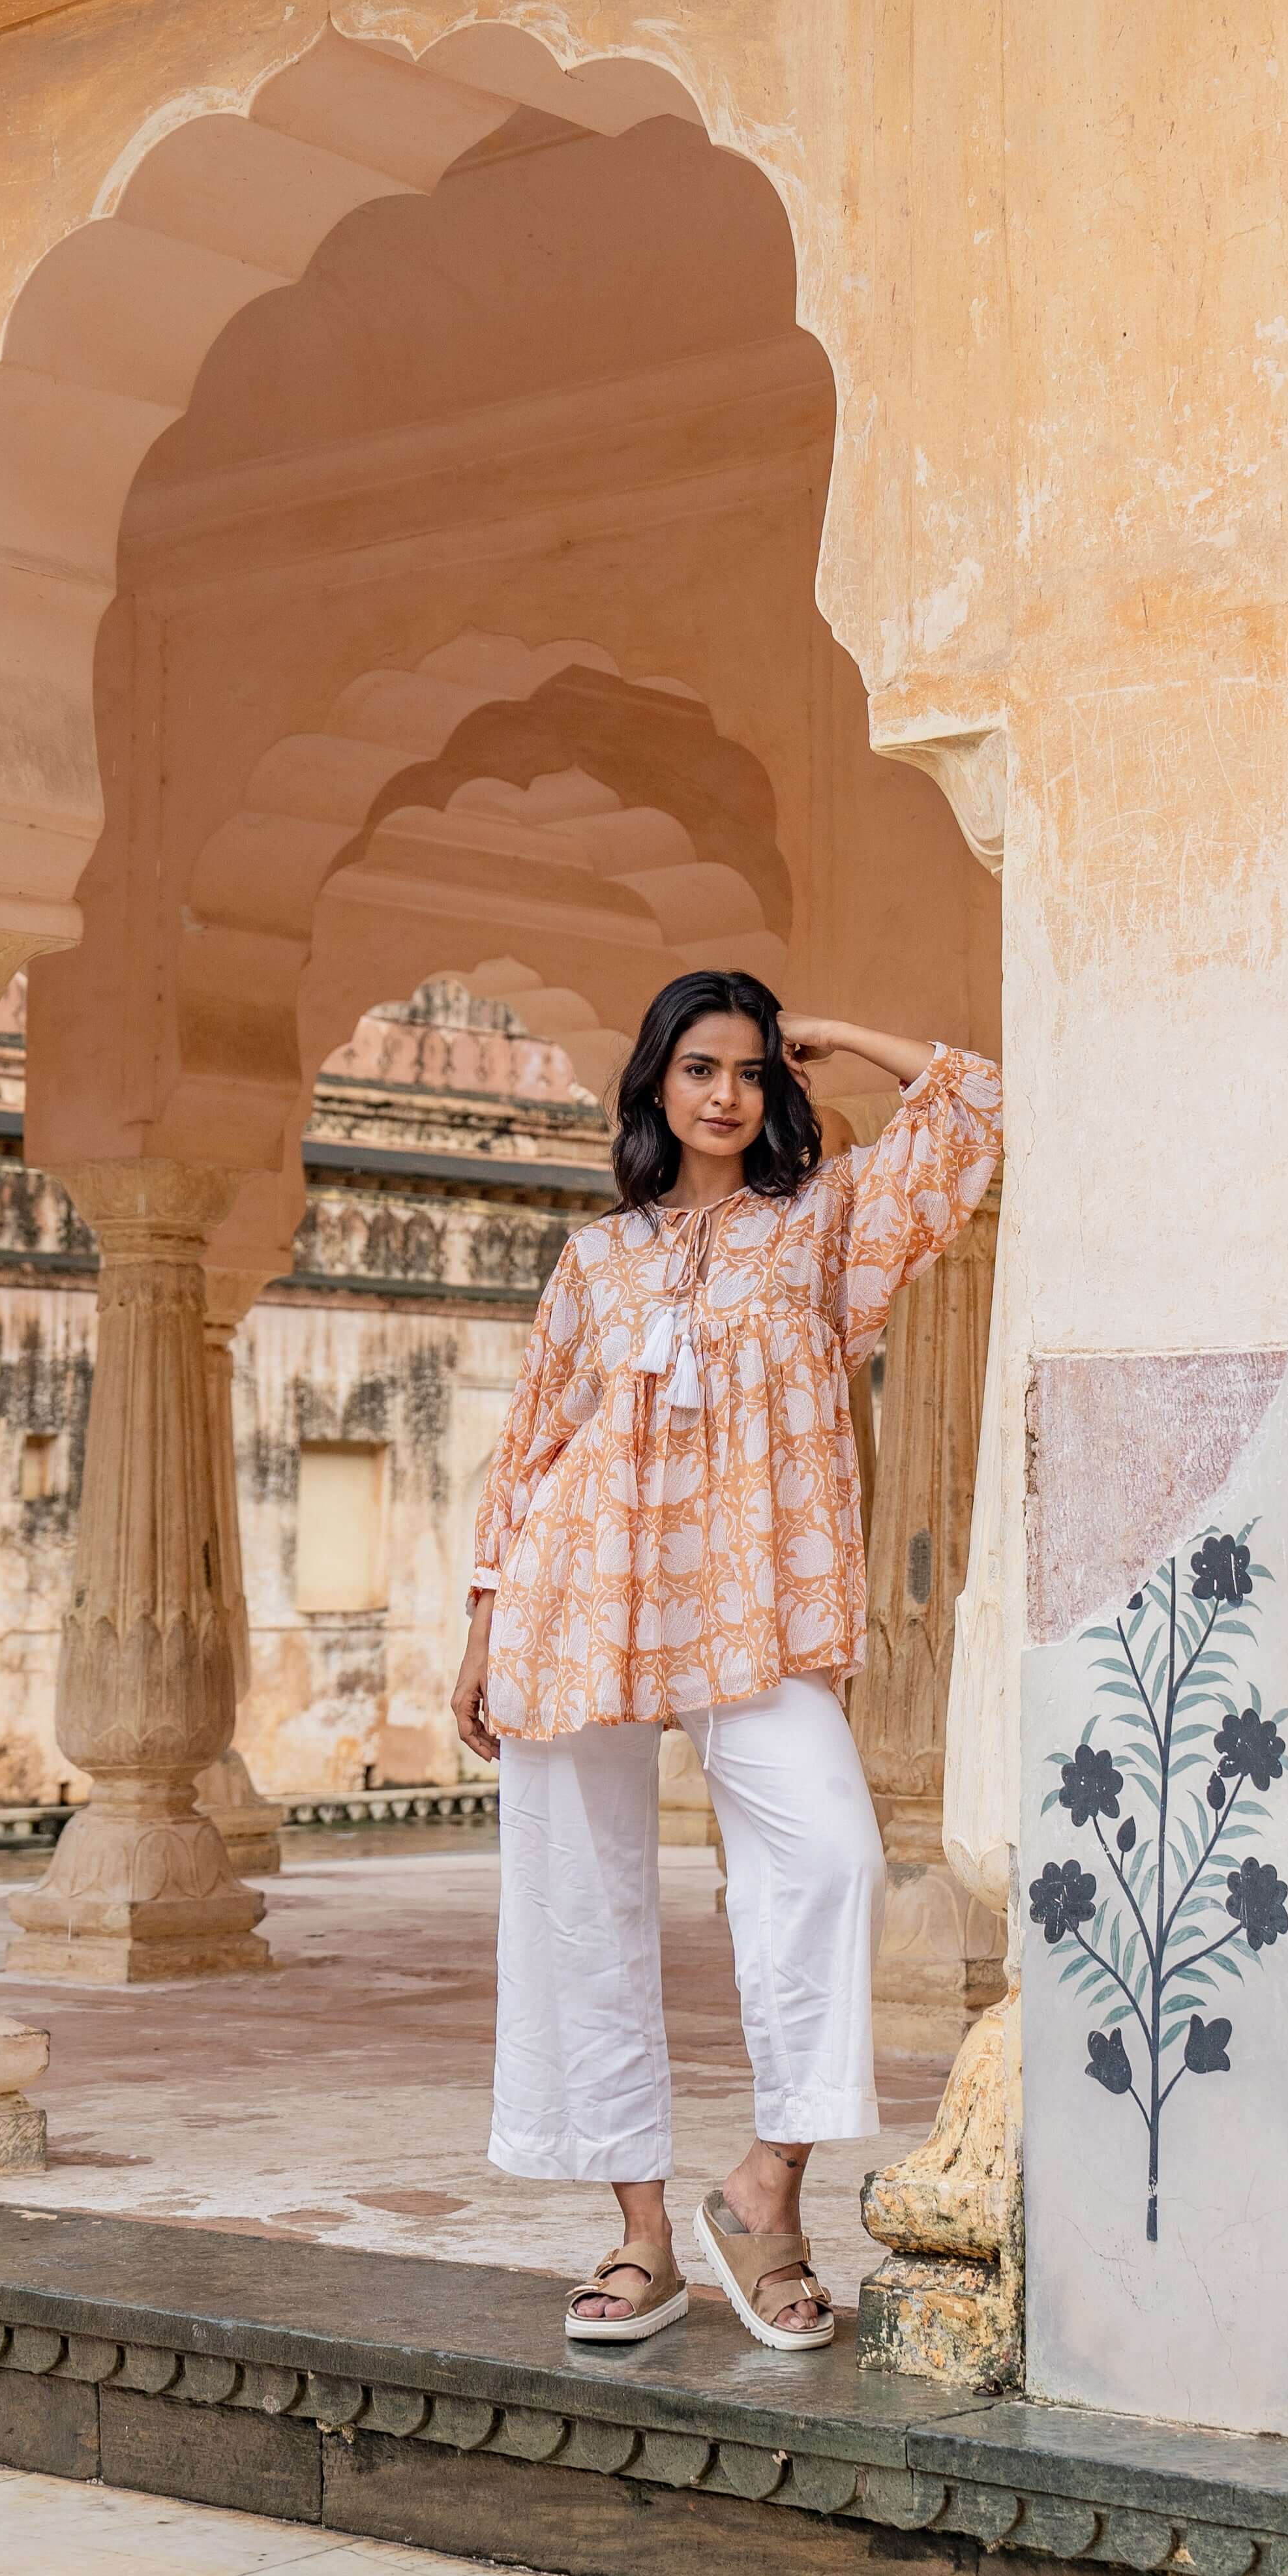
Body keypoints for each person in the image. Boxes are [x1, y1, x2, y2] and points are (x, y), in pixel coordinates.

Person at [452, 972, 1001, 2350]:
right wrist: (480, 1621)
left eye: (752, 1070)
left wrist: (848, 1033)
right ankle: (638, 2233)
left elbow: (978, 1113)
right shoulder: (596, 1258)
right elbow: (529, 1445)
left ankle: (764, 2191)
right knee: (574, 1900)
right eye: (701, 1066)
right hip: (579, 1596)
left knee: (829, 1854)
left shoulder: (821, 1229)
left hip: (756, 1608)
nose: (726, 1093)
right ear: (655, 1083)